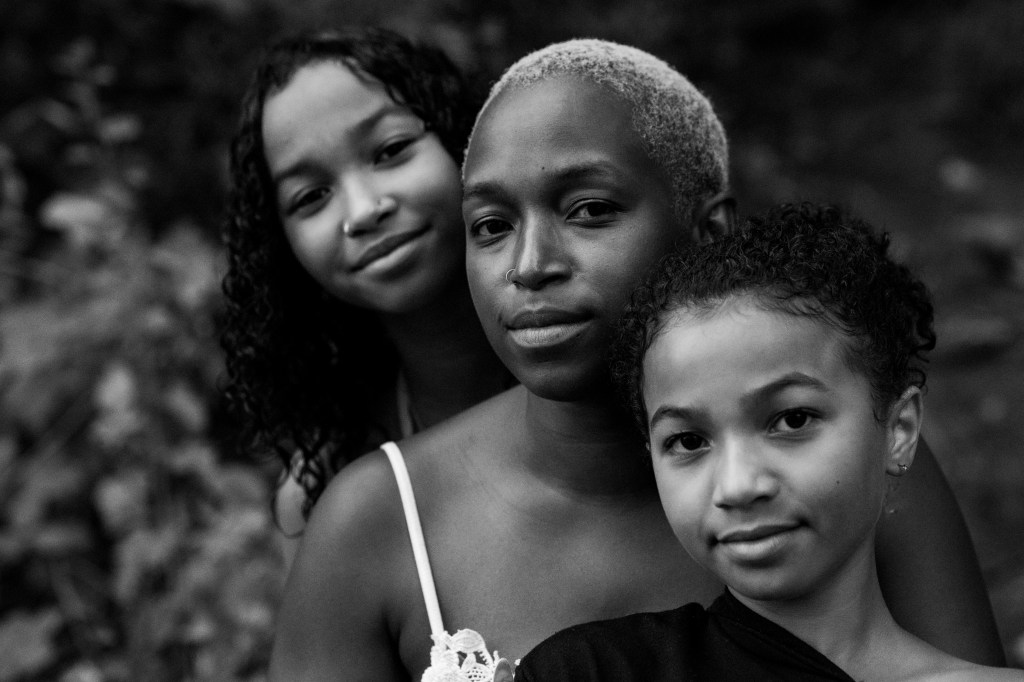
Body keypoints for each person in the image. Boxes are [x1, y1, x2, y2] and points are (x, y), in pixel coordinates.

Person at [269, 39, 1004, 681]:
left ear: (708, 230)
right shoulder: (375, 524)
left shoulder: (849, 461)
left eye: (589, 210)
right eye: (490, 225)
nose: (530, 265)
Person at [513, 203, 1023, 681]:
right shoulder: (590, 672)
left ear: (899, 430)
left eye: (792, 420)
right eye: (687, 441)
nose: (738, 486)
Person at [220, 28, 510, 547]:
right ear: (281, 249)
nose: (362, 210)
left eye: (391, 150)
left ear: (463, 138)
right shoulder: (321, 493)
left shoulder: (624, 383)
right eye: (311, 196)